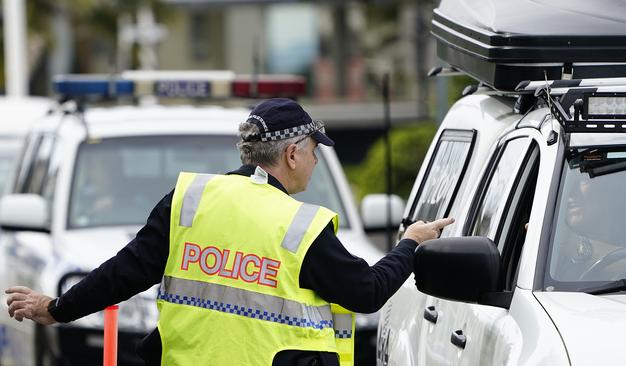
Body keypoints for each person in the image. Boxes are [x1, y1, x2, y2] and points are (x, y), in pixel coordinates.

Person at [6, 98, 454, 366]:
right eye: (315, 151)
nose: (317, 162)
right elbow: (367, 293)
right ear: (293, 154)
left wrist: (59, 308)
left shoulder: (189, 200)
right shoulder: (301, 226)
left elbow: (125, 272)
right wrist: (410, 245)